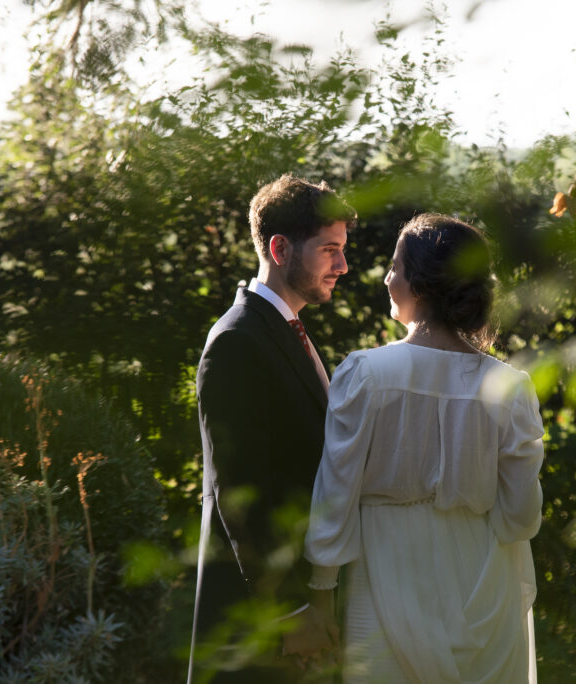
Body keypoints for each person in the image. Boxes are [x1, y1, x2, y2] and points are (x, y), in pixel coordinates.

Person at [301, 213, 545, 682]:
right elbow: (520, 517)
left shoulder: (365, 374)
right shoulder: (511, 387)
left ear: (420, 283)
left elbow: (337, 492)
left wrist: (321, 593)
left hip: (389, 572)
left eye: (395, 265)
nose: (388, 277)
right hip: (485, 583)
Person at [187, 174, 356, 683]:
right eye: (330, 250)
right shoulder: (238, 341)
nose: (343, 266)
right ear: (280, 248)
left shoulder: (284, 332)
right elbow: (238, 493)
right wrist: (288, 612)